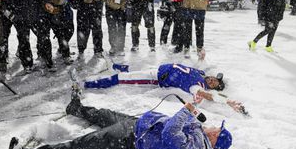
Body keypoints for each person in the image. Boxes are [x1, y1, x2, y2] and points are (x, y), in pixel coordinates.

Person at [7, 90, 232, 149]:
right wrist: (195, 103)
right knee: (105, 115)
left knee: (83, 144)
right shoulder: (200, 135)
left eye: (217, 131)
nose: (213, 127)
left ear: (215, 141)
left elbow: (171, 131)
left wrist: (188, 109)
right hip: (140, 124)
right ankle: (76, 109)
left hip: (132, 138)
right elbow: (188, 120)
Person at [83, 63, 244, 112]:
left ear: (212, 88)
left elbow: (206, 95)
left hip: (156, 78)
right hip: (158, 68)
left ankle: (89, 84)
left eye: (215, 83)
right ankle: (123, 67)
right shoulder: (201, 73)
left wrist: (228, 101)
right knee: (134, 68)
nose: (212, 80)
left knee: (122, 79)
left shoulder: (198, 86)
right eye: (215, 78)